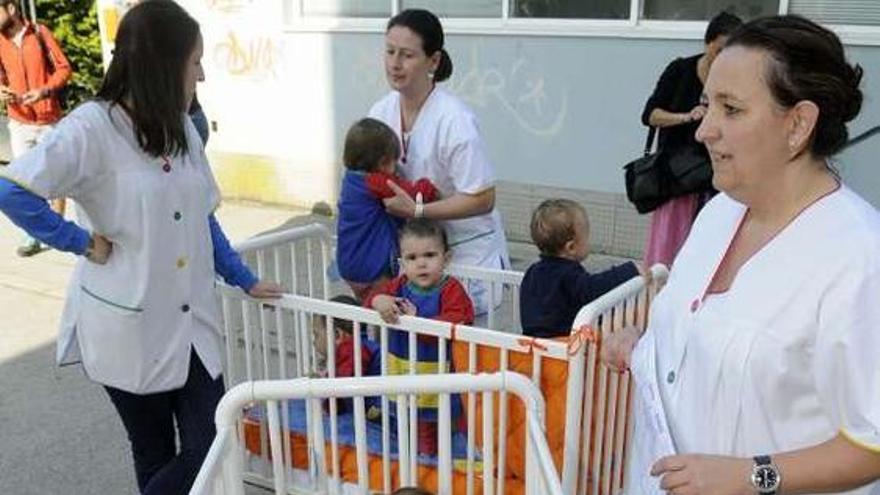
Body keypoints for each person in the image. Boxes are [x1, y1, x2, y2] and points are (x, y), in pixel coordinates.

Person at [0, 2, 283, 494]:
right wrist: (80, 240)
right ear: (164, 63)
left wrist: (244, 277)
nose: (202, 74)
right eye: (195, 61)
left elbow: (203, 215)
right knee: (153, 452)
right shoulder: (91, 127)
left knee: (213, 443)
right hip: (128, 322)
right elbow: (13, 191)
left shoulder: (180, 125)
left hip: (192, 323)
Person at [604, 15, 880, 494]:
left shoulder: (858, 259)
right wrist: (646, 344)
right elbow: (706, 331)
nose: (704, 130)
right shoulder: (718, 215)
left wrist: (753, 475)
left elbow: (870, 442)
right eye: (707, 105)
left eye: (730, 109)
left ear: (798, 125)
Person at [368, 9, 509, 321]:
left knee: (462, 360)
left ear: (433, 61)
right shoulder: (380, 113)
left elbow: (483, 198)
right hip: (414, 259)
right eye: (389, 52)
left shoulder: (455, 120)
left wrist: (418, 211)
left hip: (465, 256)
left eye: (407, 55)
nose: (394, 63)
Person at [640, 11, 742, 268]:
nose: (723, 59)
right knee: (667, 251)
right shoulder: (680, 70)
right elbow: (650, 115)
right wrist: (687, 116)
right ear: (708, 43)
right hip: (677, 176)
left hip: (715, 179)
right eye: (719, 50)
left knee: (707, 252)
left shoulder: (737, 81)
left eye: (731, 53)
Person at [366, 218, 474, 456]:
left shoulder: (451, 288)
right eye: (412, 258)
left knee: (440, 416)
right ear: (402, 262)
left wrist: (419, 322)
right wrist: (379, 301)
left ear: (446, 258)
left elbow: (460, 318)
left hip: (438, 369)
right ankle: (415, 453)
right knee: (408, 411)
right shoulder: (399, 285)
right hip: (403, 367)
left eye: (430, 255)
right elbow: (371, 300)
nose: (421, 264)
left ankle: (438, 457)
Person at [336, 117, 438, 301]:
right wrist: (428, 186)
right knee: (385, 313)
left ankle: (361, 329)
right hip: (372, 269)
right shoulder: (376, 182)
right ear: (383, 163)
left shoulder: (350, 179)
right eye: (394, 162)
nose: (396, 168)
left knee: (367, 311)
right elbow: (414, 196)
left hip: (349, 264)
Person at [0, 0, 72, 257]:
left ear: (10, 9)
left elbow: (64, 68)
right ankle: (32, 233)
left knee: (57, 177)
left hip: (48, 118)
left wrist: (45, 90)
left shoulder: (39, 33)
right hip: (19, 121)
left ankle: (57, 229)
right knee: (23, 181)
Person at [520, 199, 640, 338]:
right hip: (563, 350)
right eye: (586, 237)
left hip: (532, 349)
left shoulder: (532, 272)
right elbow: (594, 288)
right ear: (571, 247)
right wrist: (629, 270)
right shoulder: (569, 275)